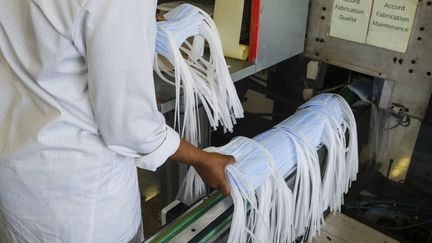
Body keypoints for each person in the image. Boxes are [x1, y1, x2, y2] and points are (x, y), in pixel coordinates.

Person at [0, 0, 235, 242]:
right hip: (81, 203)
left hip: (17, 180)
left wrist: (135, 29)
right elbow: (133, 128)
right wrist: (202, 159)